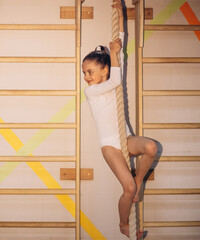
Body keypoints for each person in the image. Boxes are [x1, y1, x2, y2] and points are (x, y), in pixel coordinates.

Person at [82, 0, 157, 238]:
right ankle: (123, 223)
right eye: (84, 72)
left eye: (89, 72)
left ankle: (139, 177)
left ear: (104, 70)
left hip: (124, 138)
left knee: (151, 147)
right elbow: (115, 79)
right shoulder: (91, 91)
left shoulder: (112, 75)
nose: (86, 77)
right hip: (110, 146)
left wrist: (121, 13)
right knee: (128, 190)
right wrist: (113, 53)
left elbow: (120, 49)